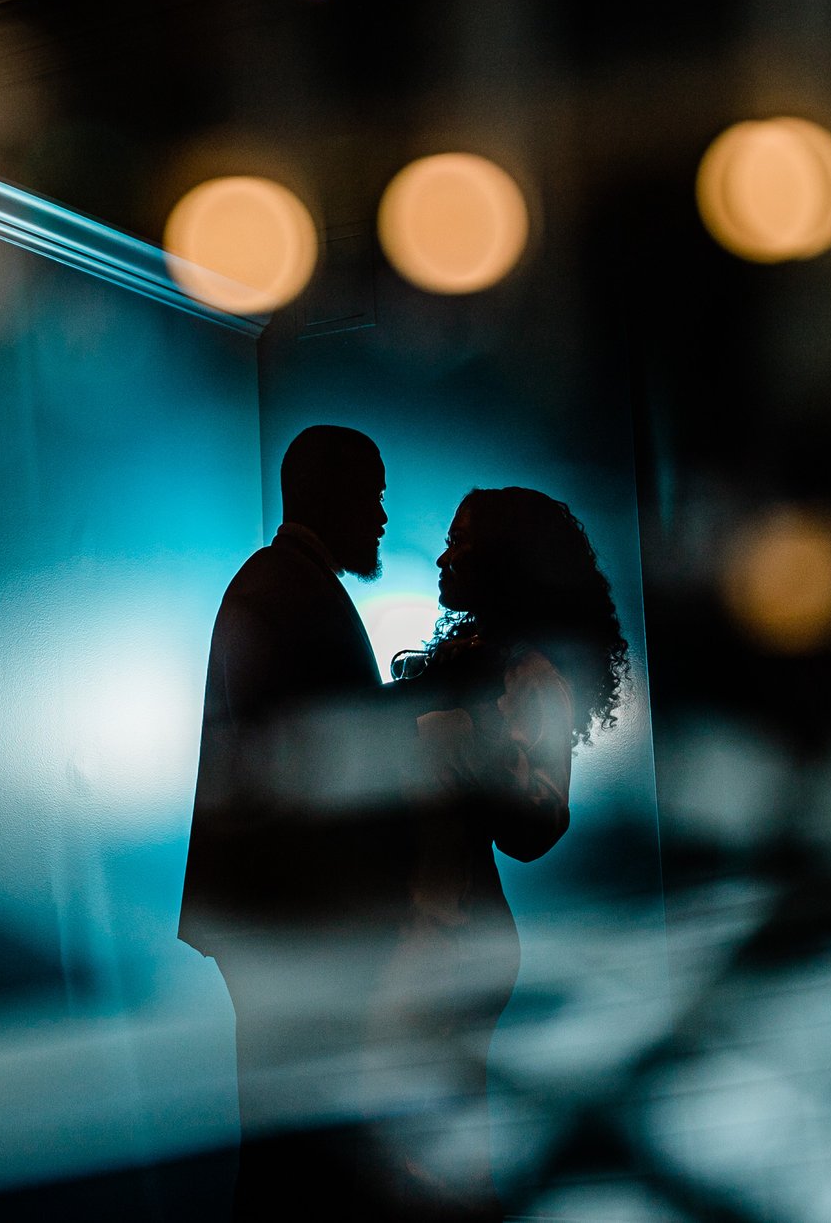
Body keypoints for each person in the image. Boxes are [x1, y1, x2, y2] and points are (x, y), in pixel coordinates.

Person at [369, 487, 631, 1217]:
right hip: (427, 929)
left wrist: (464, 754)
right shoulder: (469, 655)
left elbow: (541, 820)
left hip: (452, 936)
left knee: (437, 1158)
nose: (445, 554)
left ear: (503, 558)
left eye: (461, 540)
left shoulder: (532, 672)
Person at [179, 425, 406, 1219]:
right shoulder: (290, 589)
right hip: (292, 919)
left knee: (289, 1133)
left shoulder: (276, 582)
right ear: (331, 494)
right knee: (296, 1145)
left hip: (274, 916)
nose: (382, 513)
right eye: (372, 492)